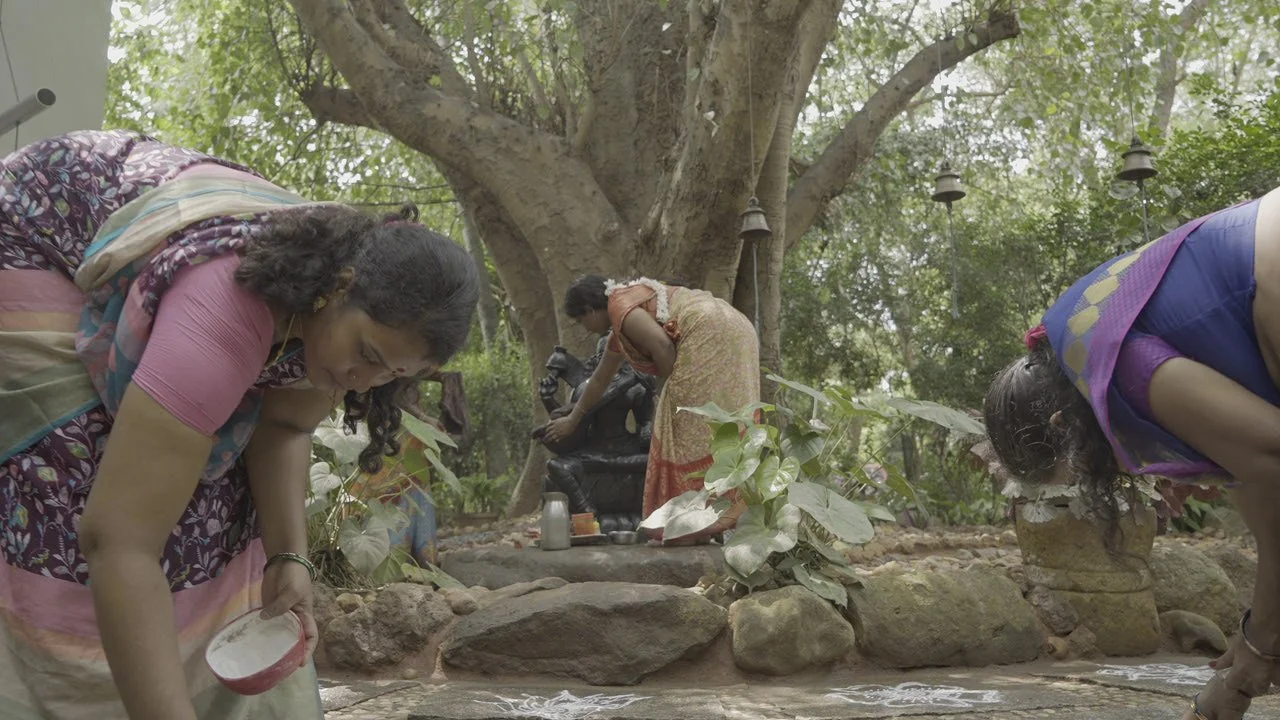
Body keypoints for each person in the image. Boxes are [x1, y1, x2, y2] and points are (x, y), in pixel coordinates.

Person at [0, 130, 478, 719]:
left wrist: (288, 558)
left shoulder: (335, 329)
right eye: (367, 356)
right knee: (76, 477)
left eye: (391, 376)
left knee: (217, 506)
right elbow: (119, 540)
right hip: (35, 228)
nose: (360, 381)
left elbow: (285, 429)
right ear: (339, 289)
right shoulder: (226, 305)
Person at [982, 186, 1280, 720]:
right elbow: (1268, 517)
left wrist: (1259, 648)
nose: (1121, 472)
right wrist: (1250, 648)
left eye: (1087, 474)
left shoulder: (1118, 367)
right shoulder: (1089, 330)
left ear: (1065, 425)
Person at [542, 275, 759, 544]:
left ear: (590, 309)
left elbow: (662, 345)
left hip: (709, 329)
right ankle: (711, 522)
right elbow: (599, 380)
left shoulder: (619, 305)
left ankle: (693, 524)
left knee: (683, 425)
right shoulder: (624, 322)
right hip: (736, 326)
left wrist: (668, 393)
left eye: (581, 320)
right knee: (718, 426)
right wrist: (573, 420)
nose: (585, 328)